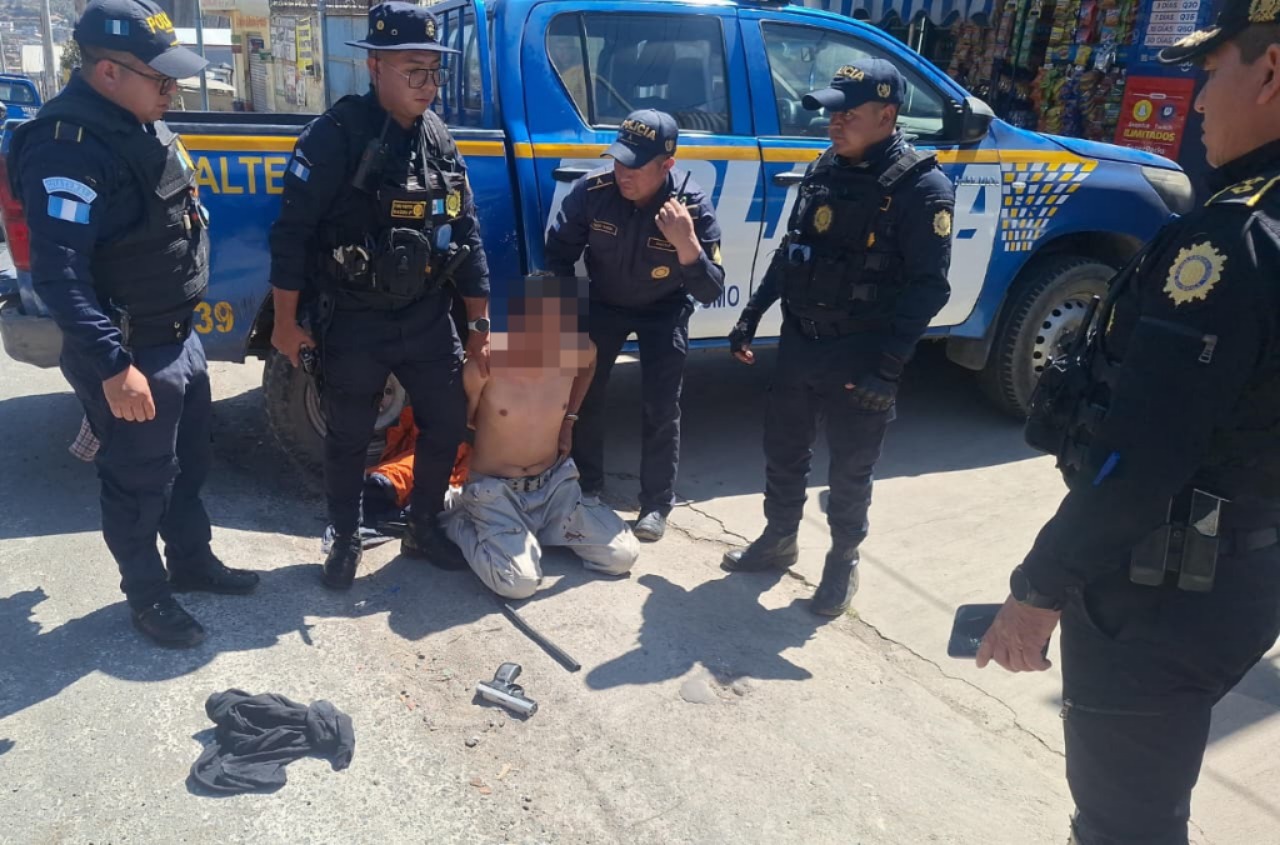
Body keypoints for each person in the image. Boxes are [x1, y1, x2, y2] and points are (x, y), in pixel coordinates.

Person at [976, 6, 1280, 843]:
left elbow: (1143, 459)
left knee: (1124, 823)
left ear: (1270, 71)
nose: (1195, 99)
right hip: (1246, 570)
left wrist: (1038, 589)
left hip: (1163, 599)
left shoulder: (1227, 244)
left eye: (1211, 72)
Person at [8, 0, 260, 648]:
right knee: (137, 480)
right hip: (129, 351)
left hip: (178, 337)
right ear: (108, 72)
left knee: (191, 460)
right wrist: (115, 368)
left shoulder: (136, 121)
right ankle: (148, 595)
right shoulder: (68, 148)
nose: (173, 90)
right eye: (161, 78)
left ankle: (192, 561)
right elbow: (62, 277)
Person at [268, 1, 491, 590]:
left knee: (446, 424)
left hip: (423, 315)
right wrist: (285, 323)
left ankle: (422, 524)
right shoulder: (334, 136)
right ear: (374, 68)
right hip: (355, 317)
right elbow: (291, 235)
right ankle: (343, 536)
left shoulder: (438, 138)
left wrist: (479, 329)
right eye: (414, 71)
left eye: (435, 72)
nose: (429, 85)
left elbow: (466, 235)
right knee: (347, 435)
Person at [721, 59, 954, 617]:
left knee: (849, 469)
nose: (834, 120)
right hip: (803, 339)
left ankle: (842, 563)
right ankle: (779, 538)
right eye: (831, 110)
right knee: (783, 449)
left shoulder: (922, 187)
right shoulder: (825, 165)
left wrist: (890, 369)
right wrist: (752, 313)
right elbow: (791, 249)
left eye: (847, 112)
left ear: (888, 114)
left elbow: (929, 289)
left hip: (863, 350)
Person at [544, 109, 725, 542]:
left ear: (667, 165)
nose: (623, 173)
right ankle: (587, 484)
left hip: (664, 308)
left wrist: (687, 247)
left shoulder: (691, 206)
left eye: (636, 165)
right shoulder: (594, 191)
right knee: (585, 394)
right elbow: (557, 254)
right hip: (604, 302)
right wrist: (563, 322)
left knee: (661, 407)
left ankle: (656, 503)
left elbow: (711, 289)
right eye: (619, 160)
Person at [443, 275, 639, 598]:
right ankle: (460, 519)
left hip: (555, 490)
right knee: (518, 584)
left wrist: (569, 419)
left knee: (623, 555)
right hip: (497, 492)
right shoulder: (485, 367)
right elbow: (465, 422)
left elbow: (590, 364)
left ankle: (536, 533)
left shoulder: (573, 352)